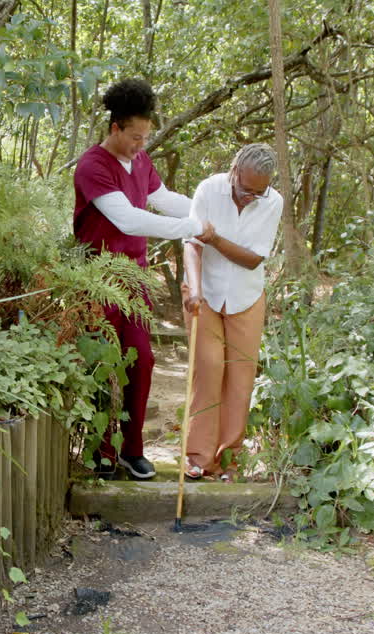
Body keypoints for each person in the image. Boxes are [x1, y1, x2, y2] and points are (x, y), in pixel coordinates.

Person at [74, 78, 215, 480]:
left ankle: (130, 449)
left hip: (133, 277)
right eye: (135, 137)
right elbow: (127, 217)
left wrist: (206, 214)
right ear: (115, 128)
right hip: (97, 276)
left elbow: (164, 198)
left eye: (146, 137)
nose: (141, 144)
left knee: (142, 360)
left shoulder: (141, 161)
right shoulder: (92, 166)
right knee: (102, 362)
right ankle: (100, 449)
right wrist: (189, 227)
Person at [180, 143, 283, 481]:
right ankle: (198, 457)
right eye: (245, 189)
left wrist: (215, 239)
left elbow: (254, 258)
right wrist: (194, 289)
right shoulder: (209, 189)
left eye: (259, 192)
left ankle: (229, 462)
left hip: (246, 297)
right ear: (235, 169)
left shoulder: (273, 202)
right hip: (204, 292)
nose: (250, 197)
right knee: (208, 370)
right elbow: (192, 244)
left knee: (240, 379)